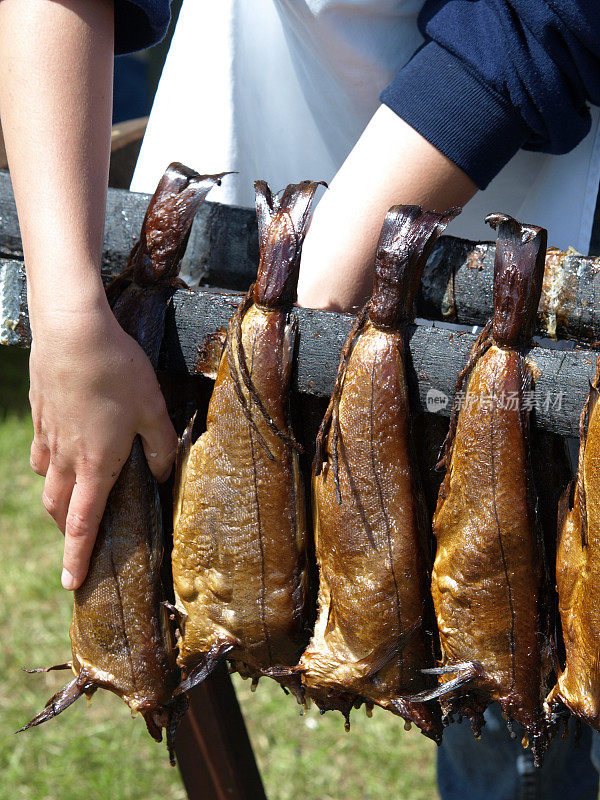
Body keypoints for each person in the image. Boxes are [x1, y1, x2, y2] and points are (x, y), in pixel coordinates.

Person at [1, 1, 599, 798]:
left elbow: (533, 24)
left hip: (508, 205)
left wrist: (329, 289)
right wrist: (69, 314)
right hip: (249, 203)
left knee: (512, 654)